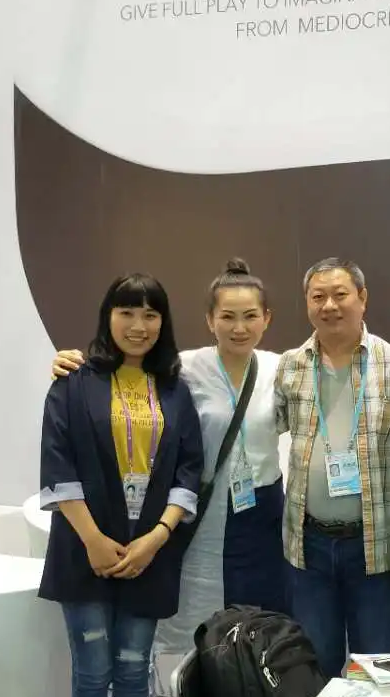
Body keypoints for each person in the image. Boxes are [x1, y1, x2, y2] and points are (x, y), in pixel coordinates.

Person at [37, 273, 204, 697]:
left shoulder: (175, 389)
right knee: (91, 673)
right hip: (84, 551)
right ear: (107, 316)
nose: (138, 325)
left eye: (150, 314)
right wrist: (92, 539)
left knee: (133, 672)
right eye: (127, 312)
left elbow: (189, 470)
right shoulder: (72, 383)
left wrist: (156, 537)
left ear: (163, 323)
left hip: (148, 555)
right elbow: (57, 466)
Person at [50, 259, 290, 656]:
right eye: (227, 316)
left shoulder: (282, 368)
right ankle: (188, 690)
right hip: (199, 507)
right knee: (197, 617)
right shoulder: (184, 369)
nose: (239, 327)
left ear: (267, 318)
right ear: (209, 319)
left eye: (250, 316)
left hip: (261, 512)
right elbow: (122, 372)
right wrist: (67, 362)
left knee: (260, 623)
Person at [276, 256, 390, 678]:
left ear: (362, 298)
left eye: (340, 295)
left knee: (374, 670)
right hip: (309, 545)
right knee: (317, 666)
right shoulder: (291, 364)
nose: (329, 305)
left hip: (375, 545)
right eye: (318, 297)